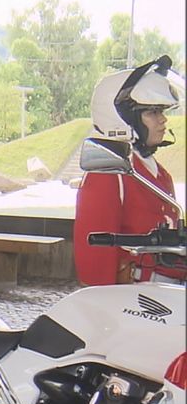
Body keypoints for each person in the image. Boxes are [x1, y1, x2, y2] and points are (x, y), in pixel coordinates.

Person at [74, 55, 184, 285]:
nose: (163, 120)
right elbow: (95, 257)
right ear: (123, 117)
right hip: (132, 303)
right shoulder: (109, 172)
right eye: (152, 112)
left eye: (162, 111)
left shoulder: (160, 174)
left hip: (164, 296)